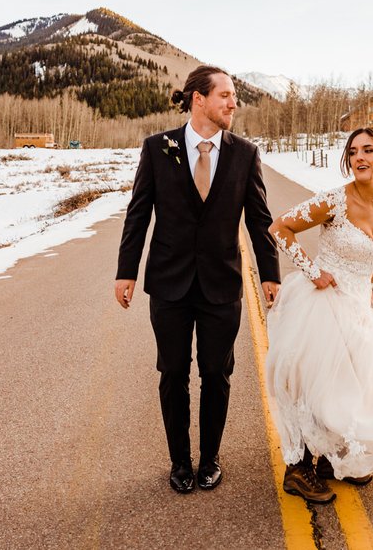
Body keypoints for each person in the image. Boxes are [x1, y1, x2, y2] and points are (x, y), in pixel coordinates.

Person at [115, 65, 281, 494]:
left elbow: (260, 221)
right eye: (225, 95)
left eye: (234, 96)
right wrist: (126, 271)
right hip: (168, 284)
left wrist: (269, 274)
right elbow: (138, 214)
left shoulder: (245, 154)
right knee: (172, 373)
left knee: (217, 374)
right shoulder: (157, 148)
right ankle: (179, 462)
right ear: (198, 100)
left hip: (222, 286)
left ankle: (209, 458)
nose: (233, 103)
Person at [265, 126, 373, 503]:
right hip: (323, 303)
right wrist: (313, 272)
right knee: (317, 386)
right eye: (353, 151)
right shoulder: (334, 201)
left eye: (368, 150)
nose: (359, 157)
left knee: (357, 386)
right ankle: (299, 470)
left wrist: (371, 293)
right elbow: (280, 228)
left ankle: (332, 460)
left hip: (358, 307)